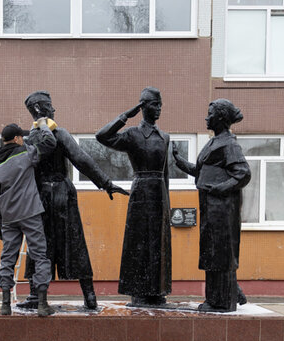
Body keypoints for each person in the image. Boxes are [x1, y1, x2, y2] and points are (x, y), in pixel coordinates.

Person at [20, 91, 128, 310]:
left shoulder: (28, 139)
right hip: (62, 193)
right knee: (75, 242)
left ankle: (35, 295)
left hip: (40, 197)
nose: (54, 110)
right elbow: (81, 159)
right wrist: (105, 182)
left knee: (40, 245)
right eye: (50, 106)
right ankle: (89, 297)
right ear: (41, 110)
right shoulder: (58, 133)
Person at [172, 99, 251, 312]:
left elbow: (243, 174)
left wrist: (219, 189)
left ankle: (222, 302)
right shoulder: (212, 142)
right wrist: (179, 162)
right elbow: (202, 172)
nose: (207, 117)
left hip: (222, 210)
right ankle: (225, 295)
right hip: (210, 208)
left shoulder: (230, 144)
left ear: (221, 117)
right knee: (211, 252)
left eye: (210, 113)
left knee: (220, 253)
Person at [96, 87, 172, 307]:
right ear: (143, 106)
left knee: (158, 242)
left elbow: (166, 172)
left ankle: (157, 291)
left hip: (159, 193)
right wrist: (125, 116)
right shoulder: (132, 134)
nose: (158, 108)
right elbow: (102, 136)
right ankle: (138, 290)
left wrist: (167, 203)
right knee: (138, 241)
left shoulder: (164, 137)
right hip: (140, 191)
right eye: (154, 104)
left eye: (160, 104)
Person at [0, 121, 57, 317]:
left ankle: (5, 305)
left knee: (8, 257)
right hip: (29, 213)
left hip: (8, 217)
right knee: (40, 255)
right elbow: (49, 143)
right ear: (17, 138)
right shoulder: (25, 153)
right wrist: (43, 124)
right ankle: (42, 304)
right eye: (22, 137)